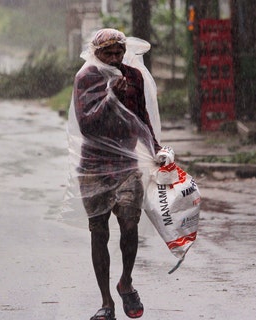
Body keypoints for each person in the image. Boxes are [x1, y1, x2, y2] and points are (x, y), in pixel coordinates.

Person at [67, 28, 172, 320]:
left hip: (126, 165)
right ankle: (106, 302)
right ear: (95, 53)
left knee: (129, 223)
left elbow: (142, 118)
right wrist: (112, 95)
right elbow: (87, 124)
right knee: (98, 231)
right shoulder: (86, 79)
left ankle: (126, 280)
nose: (114, 58)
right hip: (94, 167)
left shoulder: (134, 77)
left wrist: (156, 148)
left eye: (118, 53)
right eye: (107, 53)